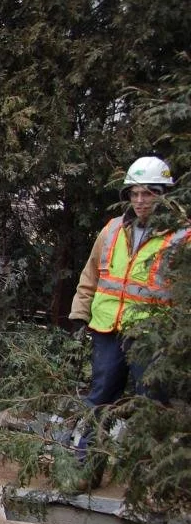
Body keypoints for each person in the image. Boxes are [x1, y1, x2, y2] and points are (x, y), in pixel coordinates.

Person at [69, 156, 187, 408]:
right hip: (108, 330)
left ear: (165, 194)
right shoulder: (112, 229)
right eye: (134, 194)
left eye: (148, 193)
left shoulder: (182, 236)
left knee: (151, 402)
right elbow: (91, 274)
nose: (140, 201)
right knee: (99, 397)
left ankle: (145, 449)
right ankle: (86, 448)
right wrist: (79, 314)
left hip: (152, 335)